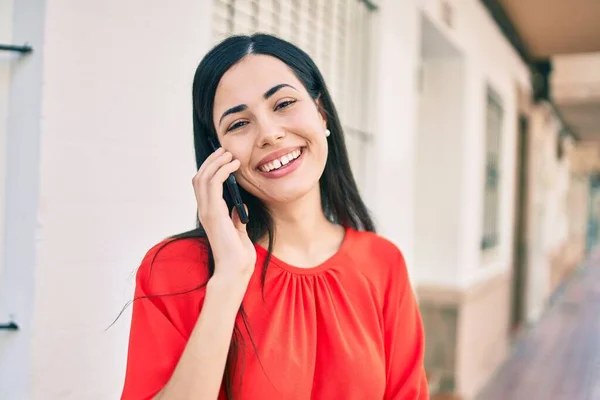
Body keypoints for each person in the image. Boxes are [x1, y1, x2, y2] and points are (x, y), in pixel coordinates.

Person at [120, 33, 429, 400]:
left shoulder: (382, 263)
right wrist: (228, 282)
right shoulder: (173, 269)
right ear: (217, 155)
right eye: (238, 124)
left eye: (283, 103)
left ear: (321, 113)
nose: (269, 133)